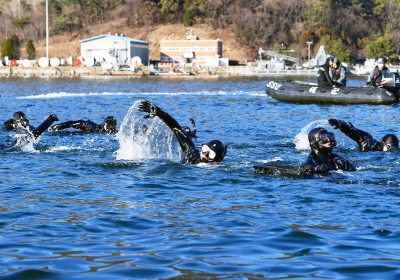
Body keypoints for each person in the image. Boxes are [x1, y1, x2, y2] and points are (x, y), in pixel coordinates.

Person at [138, 100, 227, 164]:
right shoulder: (190, 153)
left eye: (210, 154)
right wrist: (160, 112)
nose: (205, 155)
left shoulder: (216, 168)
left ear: (217, 159)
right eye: (205, 150)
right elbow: (176, 128)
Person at [328, 119, 398, 152]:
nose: (392, 151)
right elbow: (354, 131)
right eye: (392, 148)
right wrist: (341, 123)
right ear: (386, 145)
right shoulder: (369, 141)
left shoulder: (380, 151)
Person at [48, 116, 117, 134]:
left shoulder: (113, 132)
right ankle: (51, 129)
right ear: (104, 124)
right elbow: (70, 124)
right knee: (70, 124)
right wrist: (54, 128)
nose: (109, 129)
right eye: (108, 126)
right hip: (88, 126)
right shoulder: (91, 127)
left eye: (112, 127)